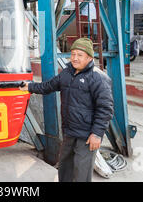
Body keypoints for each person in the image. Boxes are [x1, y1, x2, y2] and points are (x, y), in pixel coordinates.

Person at [19, 38, 114, 182]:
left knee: (81, 172)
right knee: (65, 168)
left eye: (80, 55)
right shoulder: (66, 73)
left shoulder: (98, 78)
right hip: (69, 131)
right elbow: (48, 86)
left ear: (89, 57)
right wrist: (30, 87)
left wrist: (97, 133)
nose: (75, 58)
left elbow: (105, 109)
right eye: (73, 54)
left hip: (87, 136)